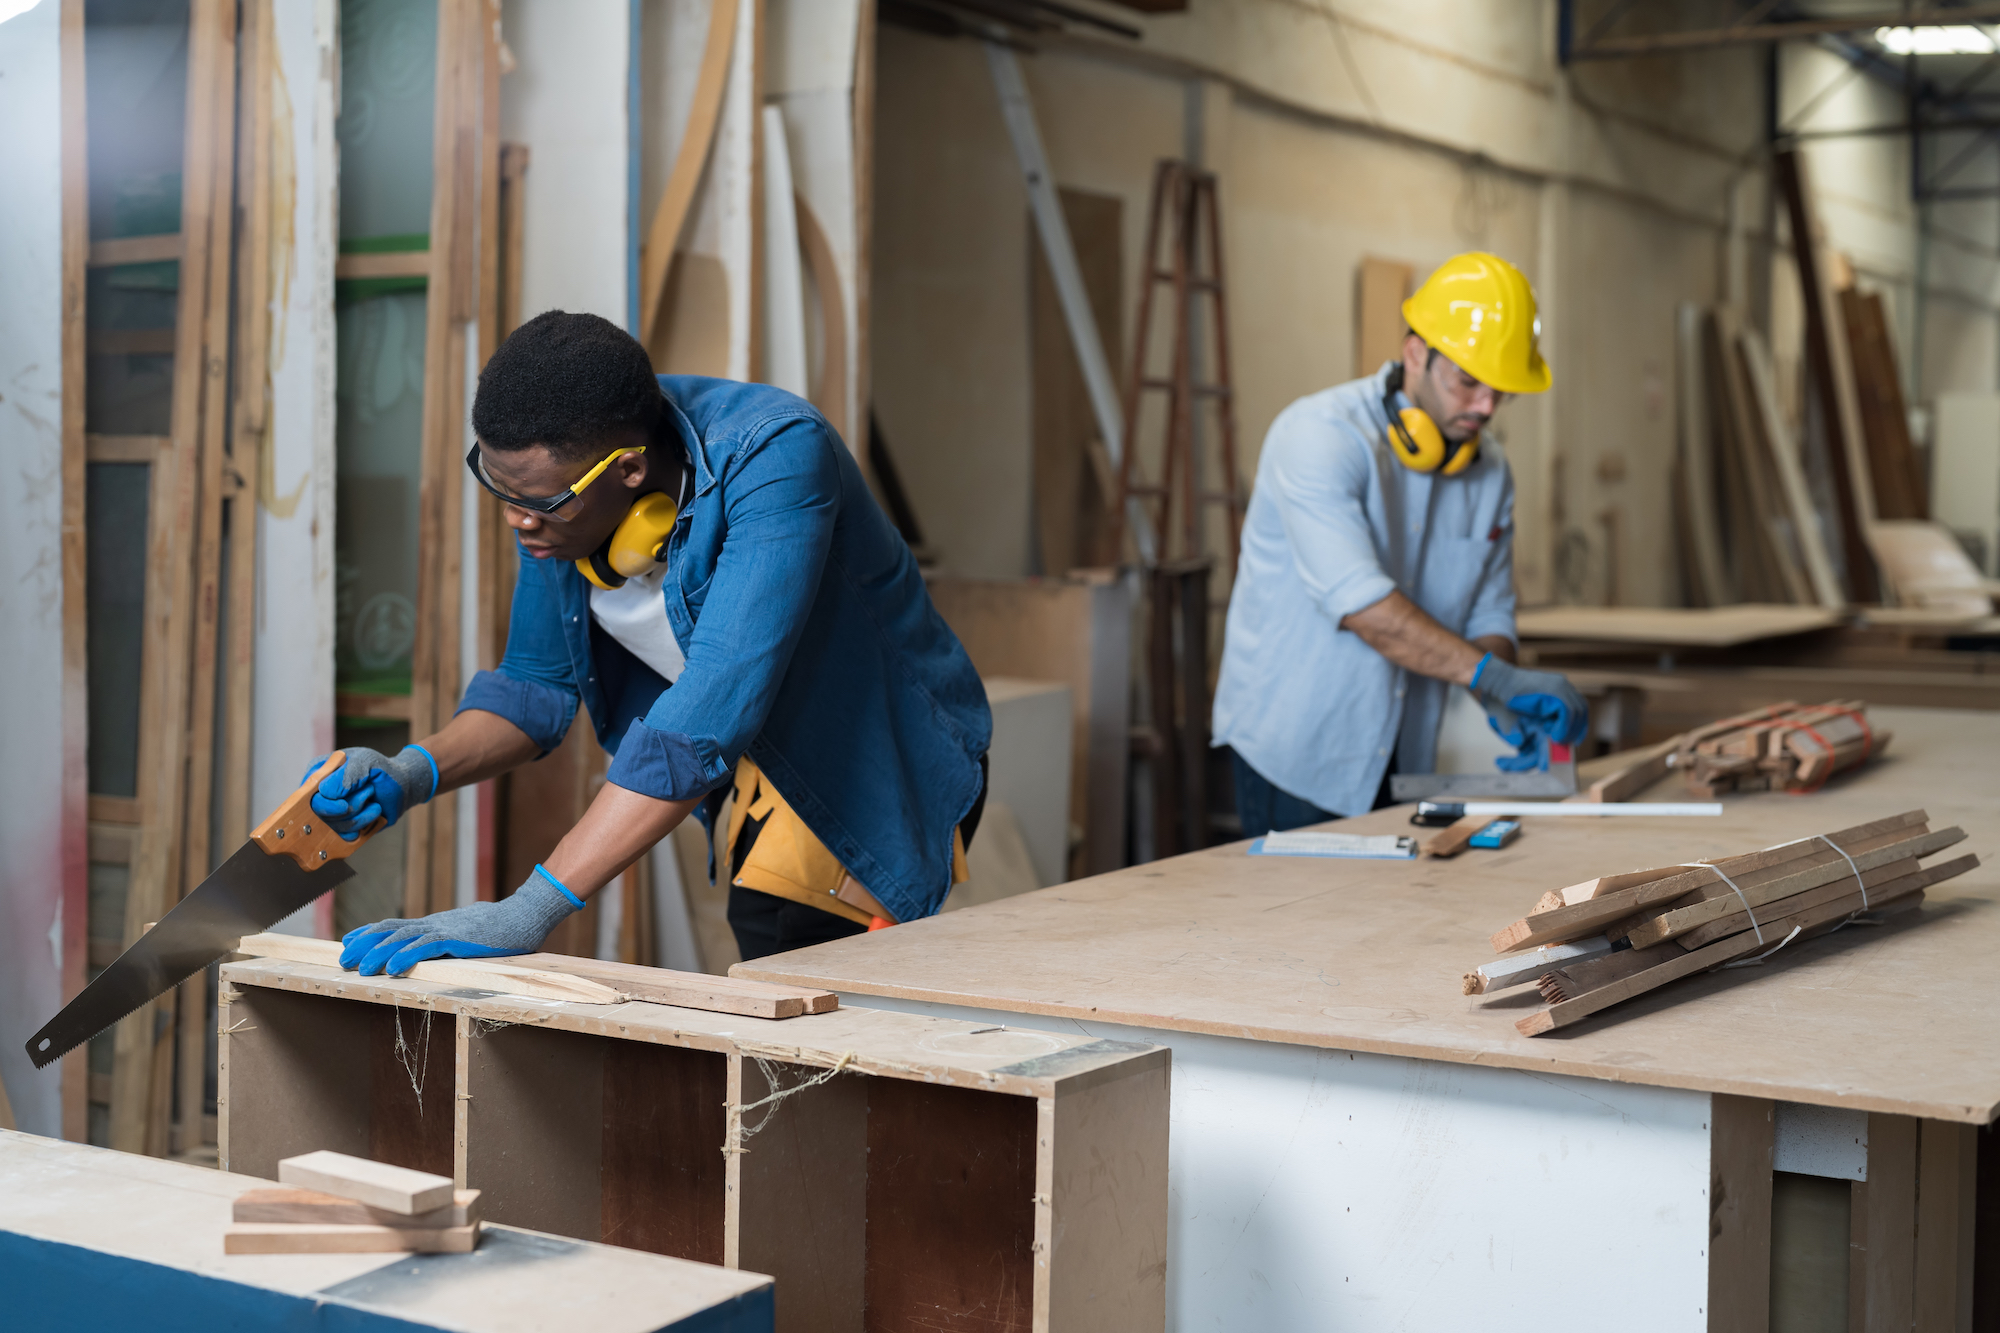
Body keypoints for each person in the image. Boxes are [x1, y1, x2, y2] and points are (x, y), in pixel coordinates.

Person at [305, 311, 991, 971]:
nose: (517, 520)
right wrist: (410, 771)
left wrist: (529, 909)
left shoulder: (774, 456)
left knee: (800, 989)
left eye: (538, 503)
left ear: (628, 471)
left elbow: (705, 717)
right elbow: (534, 689)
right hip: (756, 762)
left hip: (875, 759)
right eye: (498, 489)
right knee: (776, 970)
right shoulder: (558, 507)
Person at [1213, 251, 1588, 838]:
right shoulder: (1318, 436)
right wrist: (1491, 678)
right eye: (1468, 382)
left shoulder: (1490, 472)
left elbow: (1490, 609)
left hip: (1405, 749)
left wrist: (1501, 696)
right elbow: (1365, 608)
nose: (1485, 408)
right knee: (1297, 925)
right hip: (1299, 751)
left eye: (1501, 393)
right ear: (1416, 353)